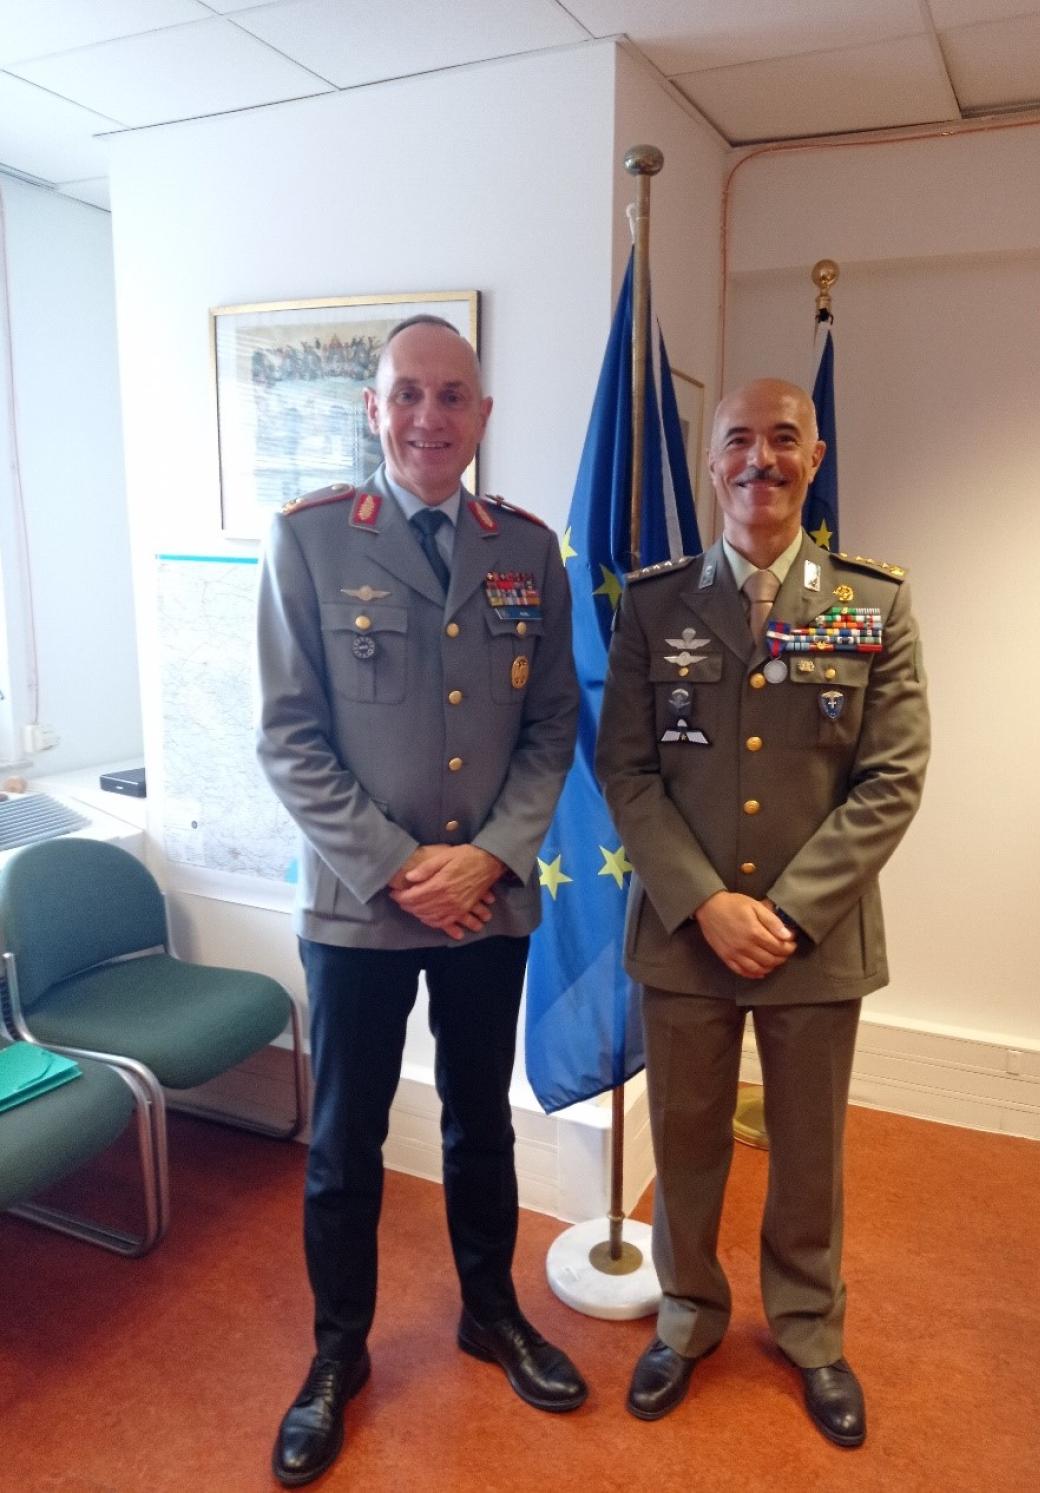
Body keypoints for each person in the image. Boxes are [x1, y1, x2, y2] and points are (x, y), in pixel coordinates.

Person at [257, 316, 585, 1487]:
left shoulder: (526, 550)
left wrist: (489, 857)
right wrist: (401, 867)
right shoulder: (306, 543)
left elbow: (553, 726)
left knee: (476, 1122)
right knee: (343, 1138)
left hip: (487, 906)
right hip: (358, 909)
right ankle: (336, 1355)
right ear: (372, 406)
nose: (429, 417)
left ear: (482, 416)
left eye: (453, 396)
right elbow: (289, 741)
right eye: (408, 394)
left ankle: (488, 1312)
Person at [595, 377, 930, 1447]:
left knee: (807, 1144)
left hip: (813, 938)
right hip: (687, 936)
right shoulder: (651, 604)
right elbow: (628, 771)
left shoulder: (871, 603)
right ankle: (687, 1311)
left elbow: (892, 775)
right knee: (686, 1137)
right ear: (710, 462)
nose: (759, 459)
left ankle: (810, 1329)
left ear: (814, 456)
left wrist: (779, 911)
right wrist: (705, 904)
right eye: (737, 439)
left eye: (782, 438)